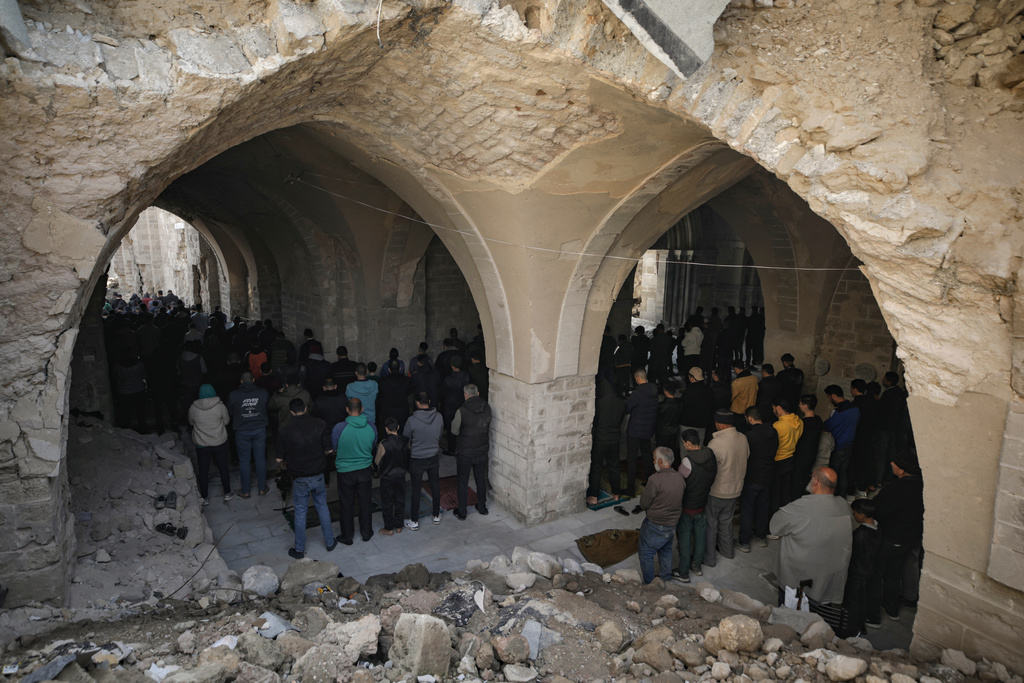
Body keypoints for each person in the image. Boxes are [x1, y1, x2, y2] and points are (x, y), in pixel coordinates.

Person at [770, 467, 853, 610]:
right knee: (818, 618)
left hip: (798, 580)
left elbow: (774, 526)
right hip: (828, 580)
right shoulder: (843, 505)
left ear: (815, 481)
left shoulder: (799, 508)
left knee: (789, 617)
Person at [865, 452, 924, 627]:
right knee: (894, 574)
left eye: (895, 463)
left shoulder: (895, 488)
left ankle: (873, 616)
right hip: (909, 539)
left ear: (902, 470)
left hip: (890, 538)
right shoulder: (922, 485)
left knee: (876, 575)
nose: (891, 463)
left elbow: (880, 509)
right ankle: (892, 610)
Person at [276, 398, 336, 558]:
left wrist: (286, 461)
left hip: (299, 477)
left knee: (301, 511)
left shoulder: (285, 430)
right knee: (322, 506)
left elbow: (278, 459)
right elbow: (329, 450)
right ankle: (330, 542)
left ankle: (299, 550)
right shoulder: (320, 424)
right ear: (306, 408)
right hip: (318, 474)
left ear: (291, 412)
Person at [705, 409, 749, 567]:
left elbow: (709, 468)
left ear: (722, 424)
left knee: (711, 524)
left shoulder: (716, 443)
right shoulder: (743, 438)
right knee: (726, 522)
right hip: (736, 489)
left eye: (716, 422)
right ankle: (727, 551)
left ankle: (709, 558)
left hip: (718, 490)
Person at [331, 398, 377, 545]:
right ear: (362, 409)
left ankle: (347, 536)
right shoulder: (371, 426)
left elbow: (334, 447)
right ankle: (367, 532)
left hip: (345, 471)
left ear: (347, 409)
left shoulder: (339, 428)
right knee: (365, 502)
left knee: (346, 503)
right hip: (365, 469)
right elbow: (373, 445)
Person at [637, 447, 685, 585]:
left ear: (659, 461)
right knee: (666, 550)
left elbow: (644, 503)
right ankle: (666, 578)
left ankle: (650, 585)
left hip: (655, 524)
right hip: (672, 524)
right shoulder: (680, 478)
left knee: (646, 553)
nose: (653, 462)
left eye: (654, 459)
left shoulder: (655, 480)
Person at [674, 429, 717, 583]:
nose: (684, 446)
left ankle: (683, 572)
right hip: (702, 502)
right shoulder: (710, 454)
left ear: (688, 443)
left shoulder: (688, 461)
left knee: (684, 538)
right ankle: (697, 566)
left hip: (688, 505)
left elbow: (679, 483)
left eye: (684, 443)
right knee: (700, 537)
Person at [737, 406, 778, 552]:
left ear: (749, 418)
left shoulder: (750, 436)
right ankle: (760, 537)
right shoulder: (773, 432)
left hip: (753, 476)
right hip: (768, 476)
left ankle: (744, 542)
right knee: (763, 508)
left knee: (747, 509)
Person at [451, 383, 492, 519]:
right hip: (482, 450)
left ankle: (462, 511)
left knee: (462, 481)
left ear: (465, 395)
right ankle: (482, 507)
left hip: (465, 452)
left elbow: (454, 431)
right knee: (481, 479)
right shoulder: (487, 408)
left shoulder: (461, 411)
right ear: (478, 393)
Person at [403, 392, 443, 529]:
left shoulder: (412, 420)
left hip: (417, 459)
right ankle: (436, 515)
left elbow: (406, 438)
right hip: (433, 456)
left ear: (417, 403)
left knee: (416, 489)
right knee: (435, 486)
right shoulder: (439, 417)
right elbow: (439, 434)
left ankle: (414, 521)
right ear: (429, 401)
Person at [227, 371, 270, 498]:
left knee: (244, 461)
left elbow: (230, 412)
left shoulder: (233, 395)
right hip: (259, 429)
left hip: (242, 431)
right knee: (260, 459)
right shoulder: (263, 393)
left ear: (241, 381)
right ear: (253, 380)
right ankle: (262, 489)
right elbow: (266, 408)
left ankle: (245, 491)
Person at [189, 384, 233, 505]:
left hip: (202, 444)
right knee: (223, 468)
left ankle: (205, 497)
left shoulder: (193, 408)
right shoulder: (220, 406)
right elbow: (226, 421)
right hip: (219, 442)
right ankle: (227, 493)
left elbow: (191, 423)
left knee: (203, 470)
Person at [844, 498, 881, 636]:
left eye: (854, 513)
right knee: (862, 599)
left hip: (856, 571)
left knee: (851, 601)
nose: (853, 515)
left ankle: (851, 629)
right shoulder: (877, 528)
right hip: (868, 570)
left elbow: (854, 554)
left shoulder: (861, 534)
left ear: (862, 515)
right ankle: (861, 625)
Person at [587, 378, 626, 505]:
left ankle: (593, 496)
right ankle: (616, 494)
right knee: (614, 466)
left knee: (596, 467)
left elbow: (594, 422)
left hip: (601, 439)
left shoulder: (598, 403)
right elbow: (620, 420)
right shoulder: (620, 403)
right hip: (614, 439)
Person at [624, 368, 659, 496]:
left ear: (638, 378)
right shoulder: (654, 391)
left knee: (631, 458)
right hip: (648, 429)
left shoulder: (637, 394)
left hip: (635, 430)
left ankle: (630, 488)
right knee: (647, 455)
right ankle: (649, 481)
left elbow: (628, 409)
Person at [823, 385, 860, 498]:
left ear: (834, 396)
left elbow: (827, 426)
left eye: (829, 397)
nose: (829, 400)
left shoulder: (838, 412)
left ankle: (832, 497)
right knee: (843, 472)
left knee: (833, 473)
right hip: (849, 445)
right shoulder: (855, 408)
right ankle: (842, 497)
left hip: (838, 446)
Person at [374, 417, 409, 536]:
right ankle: (399, 526)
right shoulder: (405, 441)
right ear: (398, 427)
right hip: (401, 476)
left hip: (387, 478)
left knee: (387, 502)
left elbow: (378, 461)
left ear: (386, 429)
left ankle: (388, 528)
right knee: (400, 500)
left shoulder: (384, 444)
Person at [771, 396, 804, 514]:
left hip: (777, 460)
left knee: (775, 493)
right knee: (785, 491)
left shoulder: (777, 426)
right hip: (790, 459)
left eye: (773, 408)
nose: (773, 411)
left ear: (779, 408)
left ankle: (774, 517)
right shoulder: (799, 422)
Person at [792, 394, 824, 499]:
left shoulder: (802, 423)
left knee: (796, 482)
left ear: (805, 406)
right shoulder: (818, 420)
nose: (799, 405)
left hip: (800, 456)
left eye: (800, 404)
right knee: (805, 481)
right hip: (812, 456)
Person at [441, 355, 470, 454]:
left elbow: (443, 394)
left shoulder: (448, 380)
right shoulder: (467, 376)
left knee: (451, 429)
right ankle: (462, 450)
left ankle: (451, 449)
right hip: (463, 405)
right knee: (463, 428)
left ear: (452, 366)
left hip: (450, 407)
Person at [678, 367, 713, 447]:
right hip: (702, 424)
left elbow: (682, 407)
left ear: (692, 377)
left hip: (687, 423)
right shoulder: (708, 390)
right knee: (699, 446)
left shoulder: (688, 391)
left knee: (685, 447)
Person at [376, 358, 412, 432]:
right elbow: (408, 393)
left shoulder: (382, 381)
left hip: (388, 413)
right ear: (400, 368)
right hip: (402, 412)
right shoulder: (407, 380)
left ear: (389, 369)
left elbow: (380, 395)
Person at [655, 381, 682, 464]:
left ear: (665, 391)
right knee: (672, 453)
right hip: (674, 432)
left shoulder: (661, 405)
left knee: (660, 453)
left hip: (662, 432)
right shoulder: (679, 404)